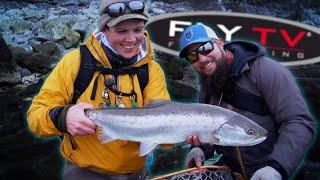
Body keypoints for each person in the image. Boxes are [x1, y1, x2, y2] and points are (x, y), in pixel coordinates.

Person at [27, 0, 170, 179]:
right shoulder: (75, 63)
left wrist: (189, 132)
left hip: (136, 173)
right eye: (121, 31)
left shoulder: (151, 70)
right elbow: (35, 116)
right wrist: (63, 117)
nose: (132, 39)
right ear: (105, 29)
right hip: (84, 172)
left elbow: (163, 137)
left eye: (138, 30)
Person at [179, 23, 315, 180]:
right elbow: (210, 129)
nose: (201, 59)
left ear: (220, 43)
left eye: (205, 48)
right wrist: (199, 149)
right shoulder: (207, 84)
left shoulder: (266, 71)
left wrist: (276, 167)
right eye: (192, 56)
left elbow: (299, 121)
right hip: (231, 172)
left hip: (270, 170)